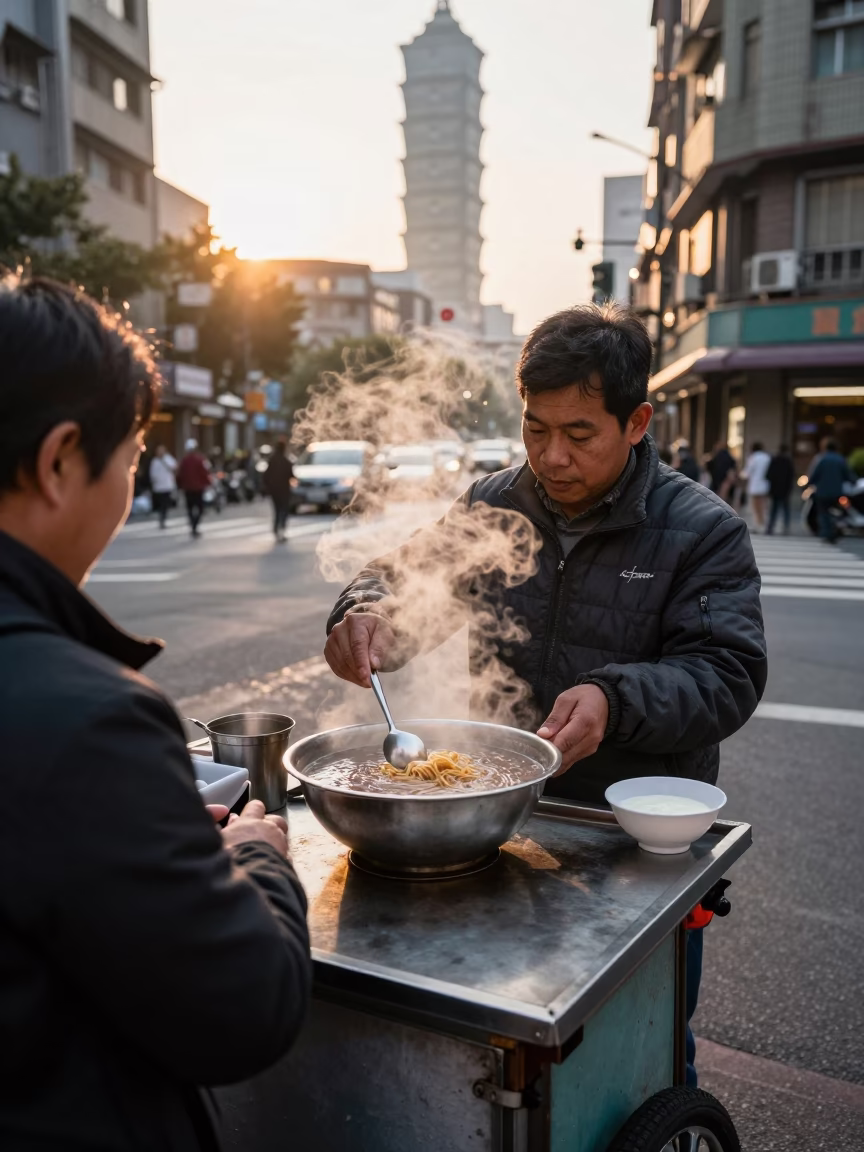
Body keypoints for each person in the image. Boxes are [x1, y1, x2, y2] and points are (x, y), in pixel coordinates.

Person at [324, 303, 767, 1087]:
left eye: (579, 434)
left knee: (647, 1053)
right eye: (535, 429)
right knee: (510, 1041)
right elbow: (398, 576)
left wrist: (613, 697)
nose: (552, 457)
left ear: (637, 423)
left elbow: (726, 675)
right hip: (497, 821)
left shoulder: (701, 530)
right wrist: (365, 618)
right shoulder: (494, 501)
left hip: (632, 836)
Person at [0, 277, 311, 1150]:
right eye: (133, 455)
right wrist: (258, 857)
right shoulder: (87, 717)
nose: (133, 480)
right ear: (61, 459)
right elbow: (245, 1011)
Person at [809, 438, 856, 544]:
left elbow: (814, 476)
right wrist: (855, 482)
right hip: (837, 492)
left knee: (823, 513)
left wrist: (809, 484)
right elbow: (848, 475)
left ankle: (826, 533)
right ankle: (835, 529)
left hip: (822, 492)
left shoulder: (822, 459)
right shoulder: (840, 460)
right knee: (838, 512)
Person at [177, 437, 212, 538]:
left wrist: (180, 485)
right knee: (200, 508)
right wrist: (208, 483)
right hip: (198, 488)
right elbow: (205, 473)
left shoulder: (184, 461)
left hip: (188, 488)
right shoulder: (200, 459)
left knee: (190, 508)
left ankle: (193, 525)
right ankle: (194, 526)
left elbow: (180, 475)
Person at [264, 438, 295, 542]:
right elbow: (292, 475)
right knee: (283, 510)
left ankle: (277, 528)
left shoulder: (272, 460)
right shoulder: (286, 461)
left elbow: (265, 476)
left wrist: (268, 487)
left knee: (277, 510)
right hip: (284, 490)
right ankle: (281, 528)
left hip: (274, 491)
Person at [765, 444, 795, 536]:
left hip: (775, 488)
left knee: (774, 509)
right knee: (786, 509)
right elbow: (791, 476)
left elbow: (768, 475)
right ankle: (786, 528)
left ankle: (770, 527)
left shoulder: (774, 460)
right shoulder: (789, 461)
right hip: (785, 489)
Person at [742, 441, 772, 531]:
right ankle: (764, 523)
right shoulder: (767, 457)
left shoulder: (753, 458)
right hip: (765, 485)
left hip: (755, 485)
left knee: (755, 507)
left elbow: (747, 472)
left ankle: (758, 525)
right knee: (763, 506)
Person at [149, 442, 177, 528]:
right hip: (158, 487)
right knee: (161, 504)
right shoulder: (154, 461)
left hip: (167, 485)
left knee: (165, 504)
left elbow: (174, 467)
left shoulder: (168, 459)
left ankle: (163, 518)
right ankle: (162, 519)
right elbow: (152, 474)